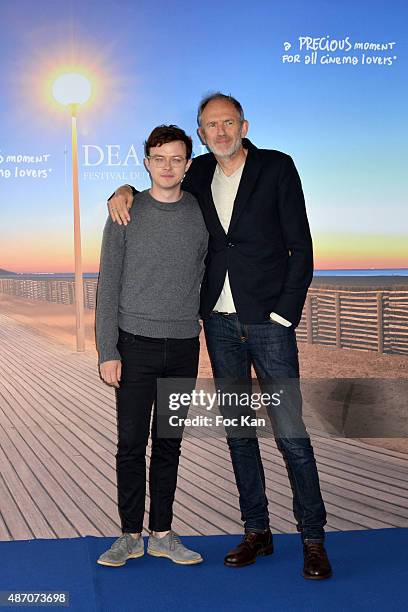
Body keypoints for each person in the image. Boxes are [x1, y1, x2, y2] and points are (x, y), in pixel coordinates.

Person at [107, 93, 332, 579]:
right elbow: (154, 180)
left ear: (244, 125)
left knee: (291, 434)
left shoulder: (277, 168)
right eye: (212, 125)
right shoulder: (200, 172)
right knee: (238, 434)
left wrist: (285, 316)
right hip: (219, 326)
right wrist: (121, 188)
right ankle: (258, 532)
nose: (221, 131)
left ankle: (313, 539)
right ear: (202, 133)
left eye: (229, 122)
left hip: (268, 324)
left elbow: (302, 246)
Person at [96, 125, 207, 567]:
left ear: (188, 165)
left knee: (169, 444)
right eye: (159, 158)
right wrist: (108, 350)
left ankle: (161, 533)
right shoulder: (125, 211)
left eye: (176, 159)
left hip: (183, 345)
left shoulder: (201, 211)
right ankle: (128, 535)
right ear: (146, 162)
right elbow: (108, 286)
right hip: (134, 346)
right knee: (130, 445)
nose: (167, 166)